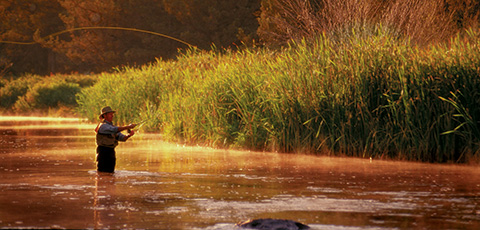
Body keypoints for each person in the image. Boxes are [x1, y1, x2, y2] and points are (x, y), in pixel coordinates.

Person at [94, 106, 136, 173]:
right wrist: (128, 127)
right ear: (105, 115)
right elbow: (114, 130)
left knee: (111, 173)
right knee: (102, 173)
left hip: (111, 152)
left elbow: (122, 138)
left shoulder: (113, 127)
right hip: (103, 152)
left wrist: (129, 135)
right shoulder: (102, 126)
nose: (112, 116)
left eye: (112, 114)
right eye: (110, 114)